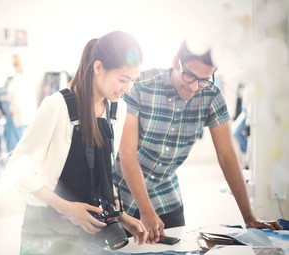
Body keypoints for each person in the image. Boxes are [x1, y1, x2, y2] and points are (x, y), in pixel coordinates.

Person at [113, 39, 281, 244]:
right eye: (190, 75)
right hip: (121, 193)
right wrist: (146, 211)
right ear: (176, 62)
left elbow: (227, 156)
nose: (194, 86)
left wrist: (249, 218)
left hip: (166, 196)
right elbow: (128, 154)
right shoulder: (140, 86)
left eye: (203, 79)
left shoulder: (211, 95)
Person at [6, 31, 148, 255]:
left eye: (133, 80)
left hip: (88, 231)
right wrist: (67, 209)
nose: (128, 88)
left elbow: (102, 174)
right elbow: (16, 168)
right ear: (98, 67)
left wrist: (120, 216)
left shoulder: (117, 109)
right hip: (46, 232)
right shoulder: (57, 106)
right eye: (123, 79)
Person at [5, 54, 36, 152]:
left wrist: (11, 110)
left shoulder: (16, 80)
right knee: (27, 141)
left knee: (18, 143)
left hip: (19, 115)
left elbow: (14, 99)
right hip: (29, 115)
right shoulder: (28, 79)